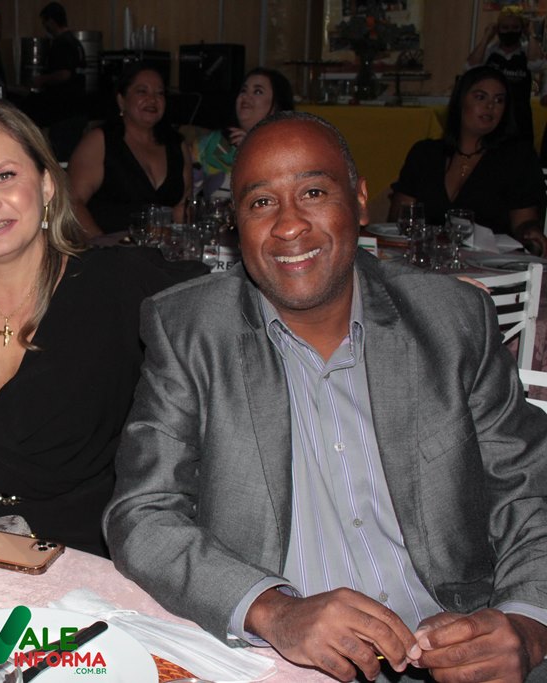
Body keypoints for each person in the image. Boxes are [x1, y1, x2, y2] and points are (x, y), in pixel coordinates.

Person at [104, 111, 547, 682]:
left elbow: (529, 489)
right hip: (281, 660)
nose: (289, 225)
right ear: (236, 224)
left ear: (359, 200)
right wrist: (272, 610)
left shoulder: (451, 321)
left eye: (313, 192)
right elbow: (142, 514)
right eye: (261, 202)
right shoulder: (191, 330)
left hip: (457, 650)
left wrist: (527, 624)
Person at [0, 100, 205, 555]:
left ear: (46, 184)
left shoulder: (122, 284)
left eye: (5, 176)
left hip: (79, 550)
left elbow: (242, 310)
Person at [390, 66, 547, 256]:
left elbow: (524, 223)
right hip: (424, 259)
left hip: (488, 264)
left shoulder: (516, 159)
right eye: (481, 97)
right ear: (460, 101)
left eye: (499, 100)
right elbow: (400, 218)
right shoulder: (425, 154)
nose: (490, 106)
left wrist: (530, 232)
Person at [68, 62, 192, 236]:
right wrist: (101, 245)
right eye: (142, 91)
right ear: (122, 100)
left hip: (164, 248)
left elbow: (183, 207)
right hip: (106, 246)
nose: (152, 99)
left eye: (159, 93)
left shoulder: (177, 145)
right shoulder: (100, 141)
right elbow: (72, 203)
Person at [192, 67, 294, 199]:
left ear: (276, 105)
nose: (245, 96)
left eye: (257, 91)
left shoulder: (289, 149)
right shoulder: (210, 144)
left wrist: (251, 150)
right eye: (243, 90)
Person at [467, 6, 544, 146]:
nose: (510, 31)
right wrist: (486, 37)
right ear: (498, 29)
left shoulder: (526, 51)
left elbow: (537, 65)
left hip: (520, 120)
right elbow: (470, 68)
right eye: (505, 27)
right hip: (492, 119)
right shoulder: (490, 51)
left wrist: (531, 34)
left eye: (515, 27)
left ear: (522, 29)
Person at [22, 2, 87, 161]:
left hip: (63, 113)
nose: (45, 27)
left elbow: (64, 74)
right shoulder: (75, 42)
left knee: (61, 158)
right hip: (77, 110)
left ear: (51, 21)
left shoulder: (61, 44)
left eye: (44, 22)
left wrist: (41, 79)